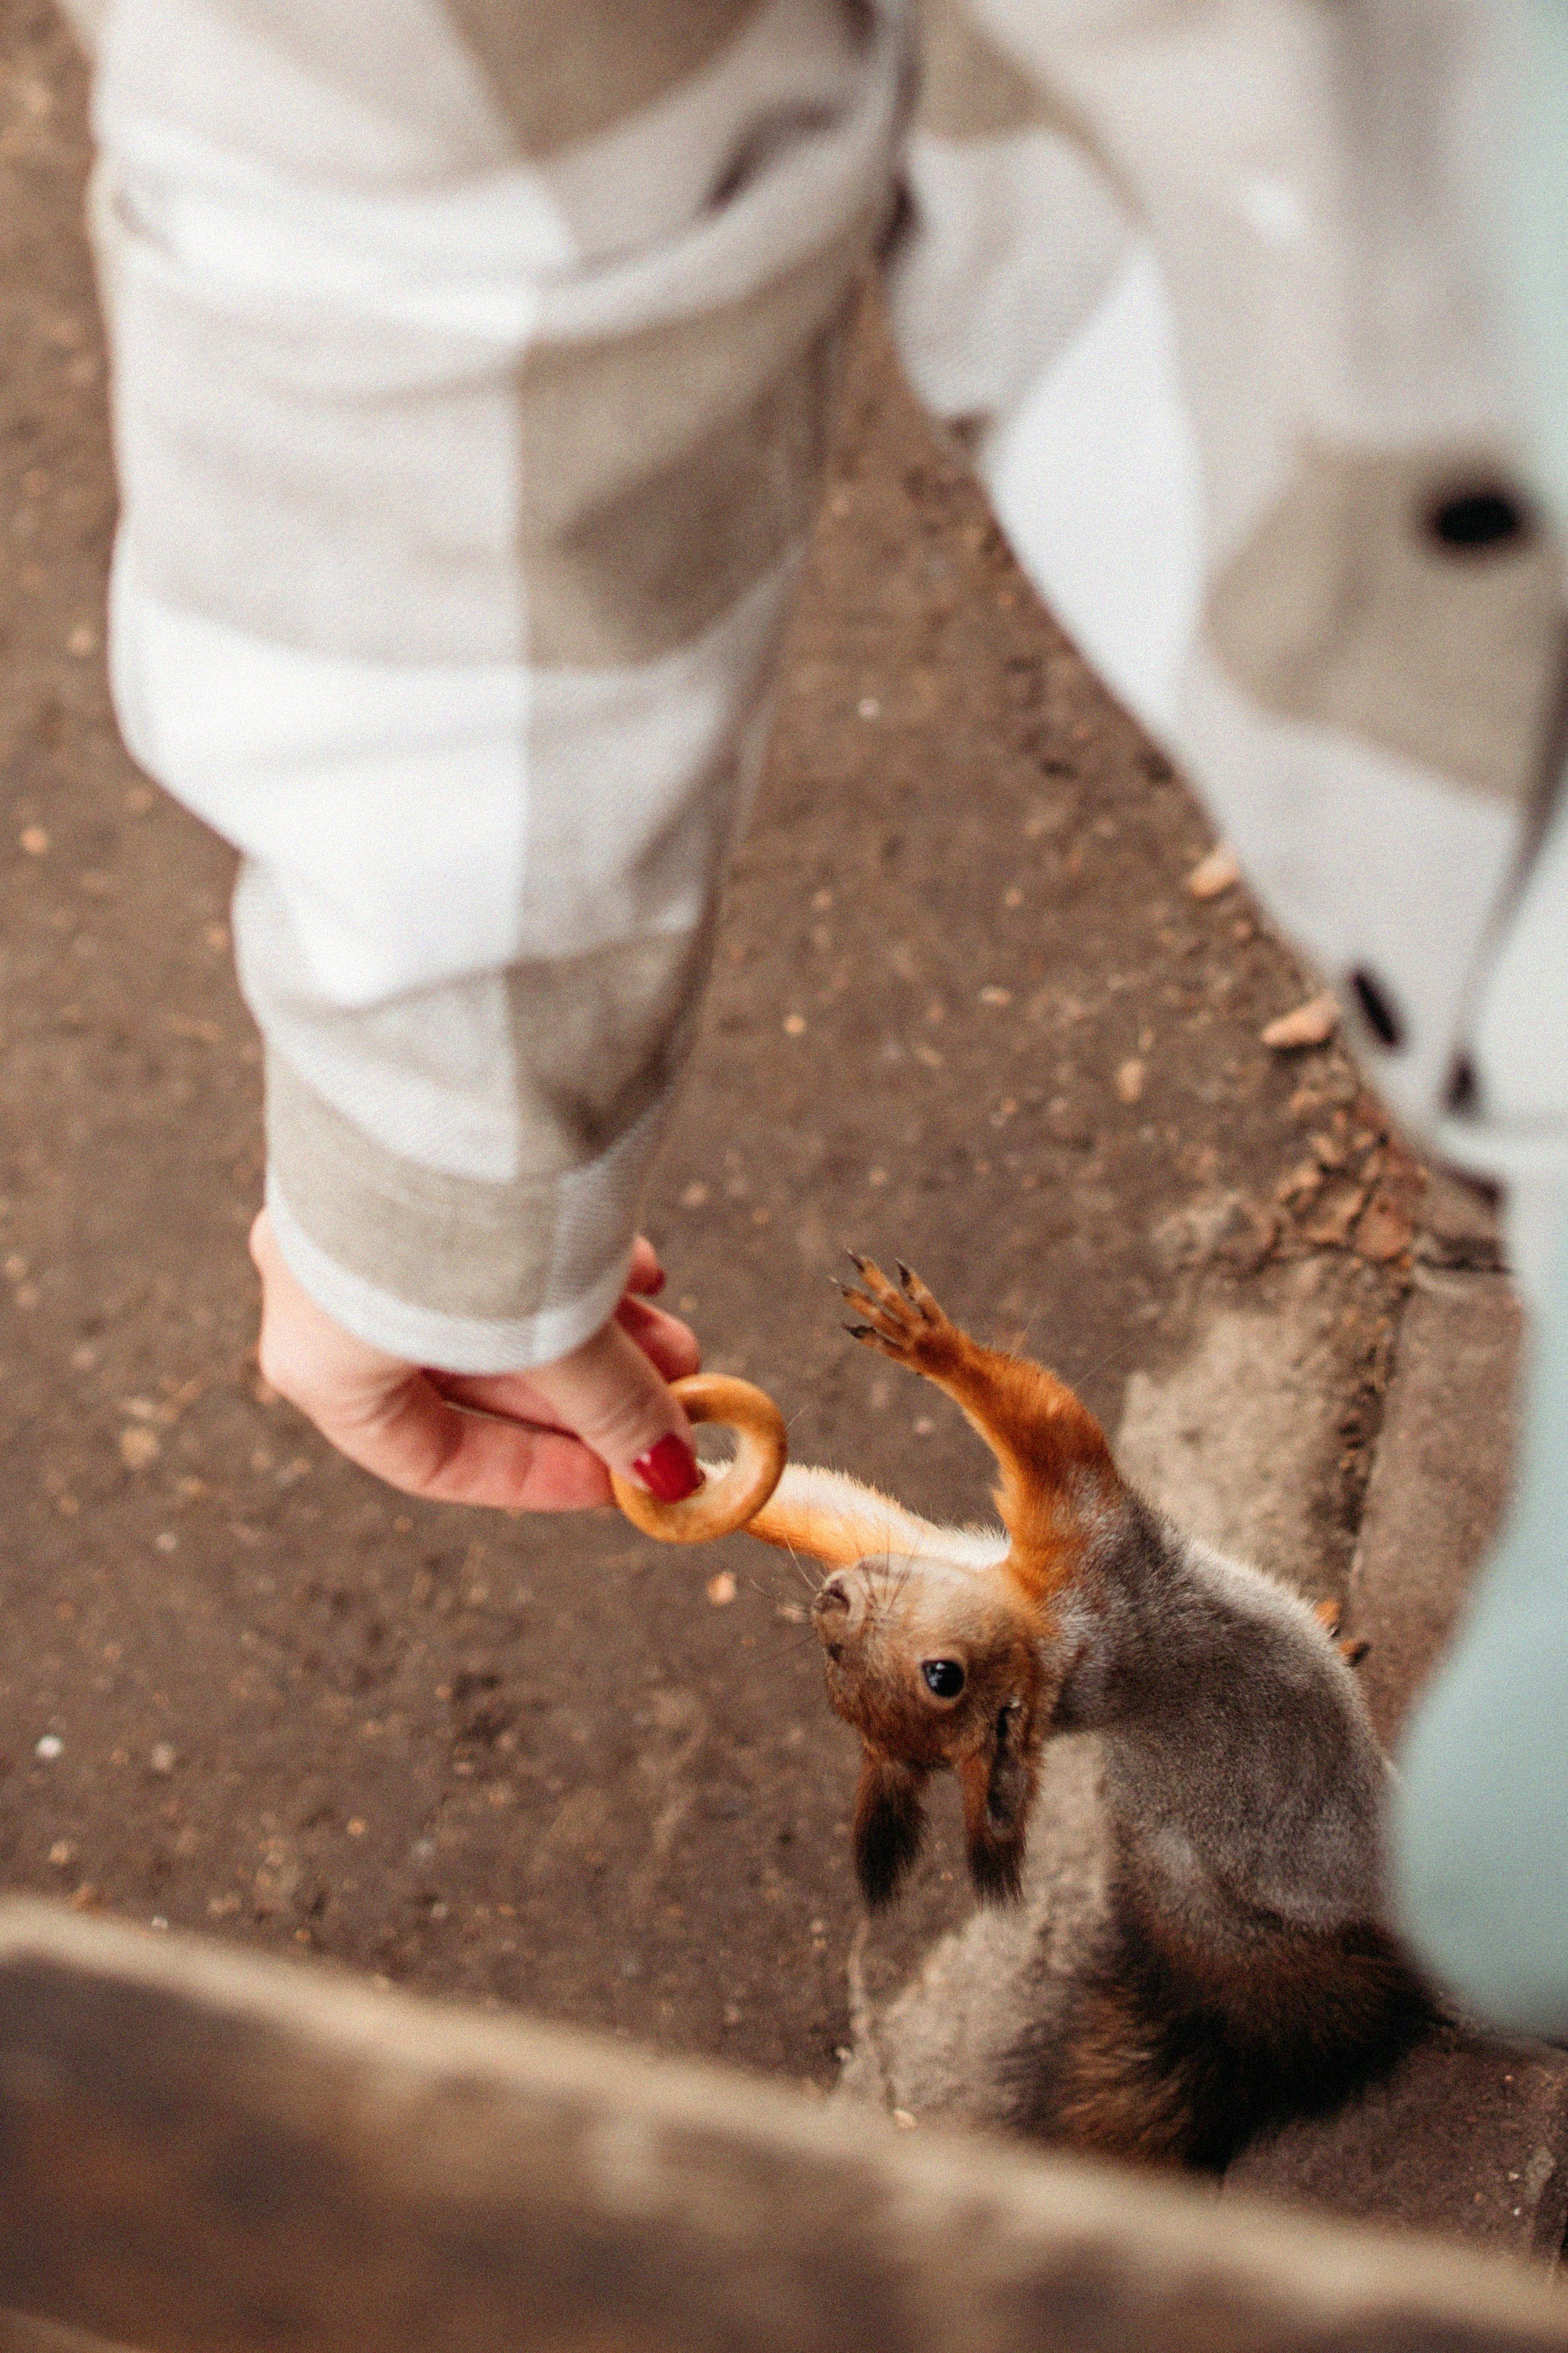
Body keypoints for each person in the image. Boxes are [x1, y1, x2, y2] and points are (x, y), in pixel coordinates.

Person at [81, 0, 1568, 2029]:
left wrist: (428, 1184)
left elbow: (470, 225)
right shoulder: (1062, 1641)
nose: (865, 1596)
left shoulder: (1063, 1608)